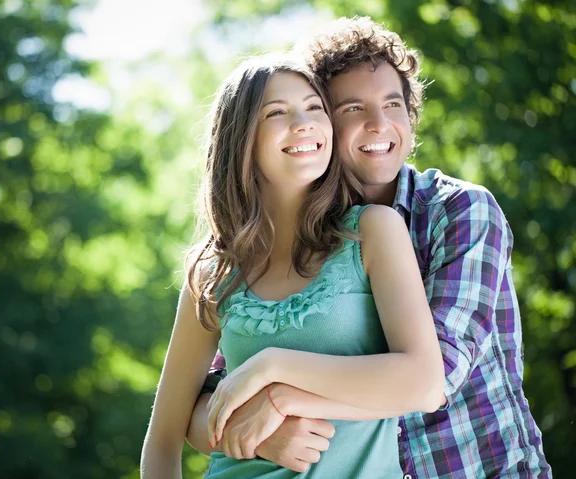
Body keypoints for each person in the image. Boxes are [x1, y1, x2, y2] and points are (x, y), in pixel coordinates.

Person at [186, 17, 552, 479]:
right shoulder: (306, 243)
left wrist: (280, 396)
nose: (379, 124)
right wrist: (260, 429)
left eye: (393, 104)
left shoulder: (460, 211)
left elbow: (435, 378)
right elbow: (218, 386)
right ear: (323, 122)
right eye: (353, 108)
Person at [140, 52, 445, 479]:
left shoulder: (373, 231)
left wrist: (274, 370)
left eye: (315, 108)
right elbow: (164, 437)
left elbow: (425, 385)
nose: (303, 123)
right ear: (241, 138)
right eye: (277, 113)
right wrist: (257, 435)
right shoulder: (212, 271)